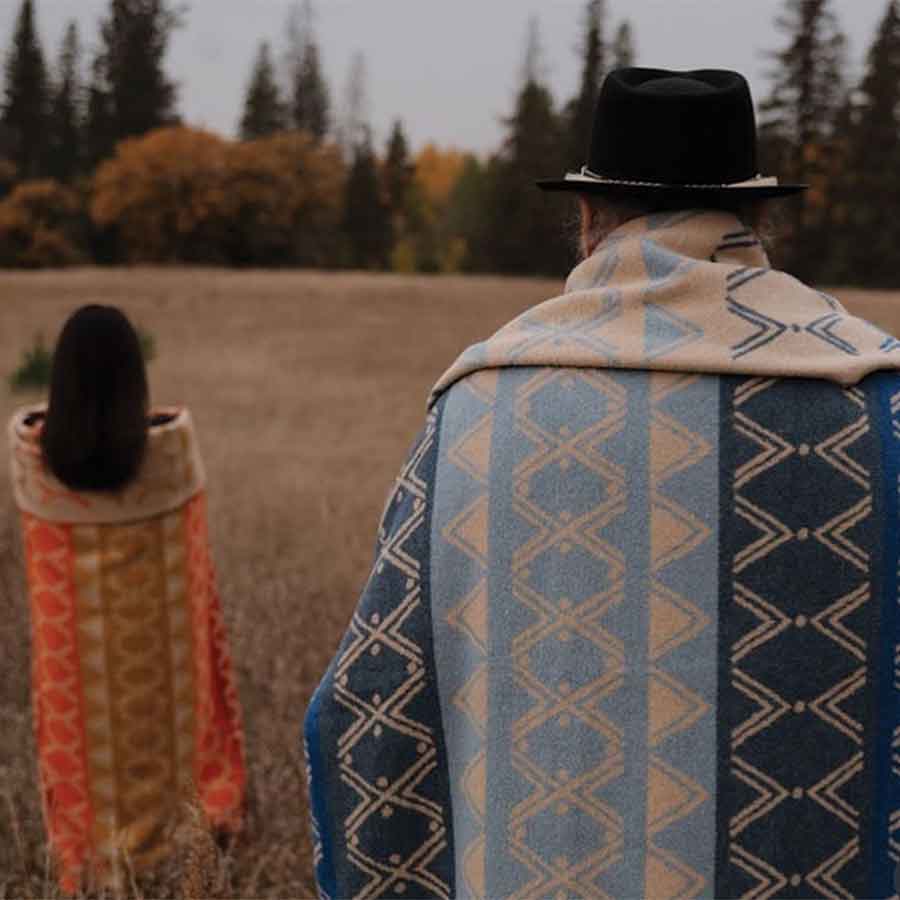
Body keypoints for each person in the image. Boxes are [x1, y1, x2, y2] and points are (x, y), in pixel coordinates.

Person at [305, 67, 900, 899]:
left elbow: (371, 707)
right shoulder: (879, 407)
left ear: (588, 218)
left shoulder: (479, 408)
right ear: (757, 216)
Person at [9, 305, 246, 893]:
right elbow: (200, 604)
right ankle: (176, 845)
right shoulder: (173, 461)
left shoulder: (35, 471)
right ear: (136, 383)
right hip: (168, 721)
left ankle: (90, 864)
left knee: (76, 718)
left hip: (79, 712)